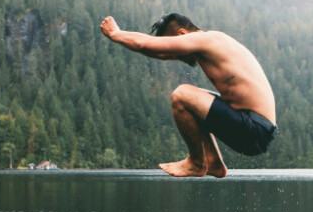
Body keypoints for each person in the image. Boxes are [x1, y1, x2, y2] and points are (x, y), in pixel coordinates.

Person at [100, 13, 277, 178]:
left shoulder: (204, 40)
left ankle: (197, 163)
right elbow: (158, 51)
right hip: (257, 127)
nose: (177, 57)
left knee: (182, 95)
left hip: (255, 128)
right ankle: (213, 162)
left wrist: (116, 33)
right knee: (196, 100)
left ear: (182, 33)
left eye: (176, 49)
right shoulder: (212, 42)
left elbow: (143, 44)